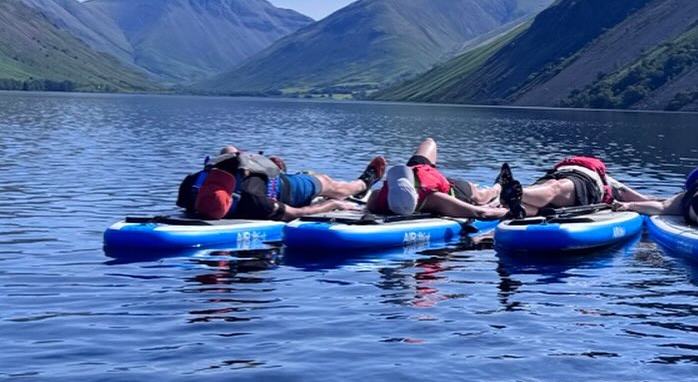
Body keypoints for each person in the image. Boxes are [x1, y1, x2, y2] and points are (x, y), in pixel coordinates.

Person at [179, 146, 386, 221]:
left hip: (258, 177)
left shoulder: (190, 185)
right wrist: (334, 204)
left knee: (228, 149)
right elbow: (297, 213)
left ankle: (361, 185)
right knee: (326, 182)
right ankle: (361, 185)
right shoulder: (254, 201)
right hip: (286, 190)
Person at [366, 138, 507, 220]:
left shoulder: (377, 198)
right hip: (450, 188)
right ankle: (499, 186)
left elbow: (367, 210)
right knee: (480, 197)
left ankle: (498, 187)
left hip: (418, 169)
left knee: (429, 142)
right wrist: (509, 211)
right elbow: (481, 213)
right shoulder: (435, 198)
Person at [496, 154, 658, 219]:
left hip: (576, 181)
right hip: (569, 178)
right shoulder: (605, 178)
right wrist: (656, 202)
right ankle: (514, 198)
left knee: (554, 187)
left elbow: (630, 196)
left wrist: (655, 203)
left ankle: (511, 194)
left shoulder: (607, 180)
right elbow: (636, 197)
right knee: (551, 188)